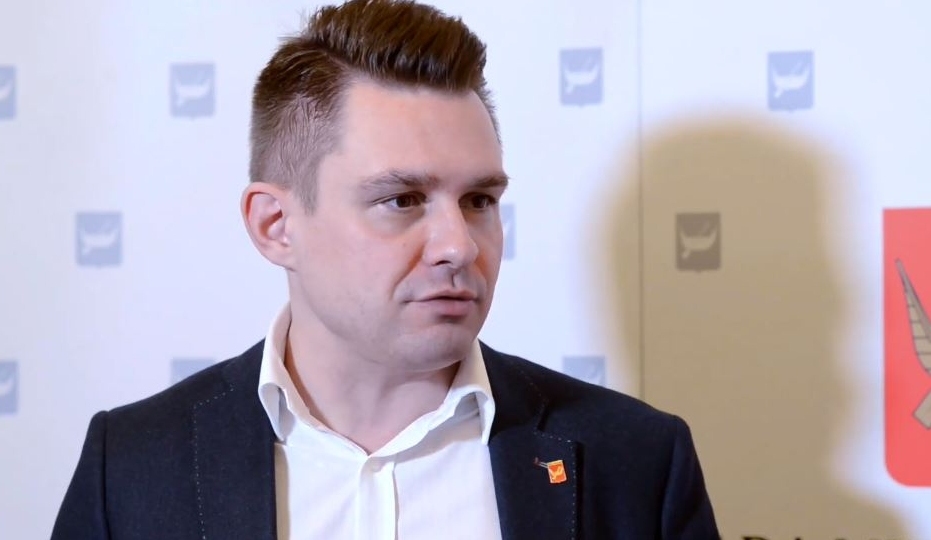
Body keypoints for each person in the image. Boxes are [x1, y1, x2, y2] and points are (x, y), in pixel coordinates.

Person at [51, 0, 719, 538]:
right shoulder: (133, 467)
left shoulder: (635, 462)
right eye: (402, 200)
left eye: (478, 200)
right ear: (275, 225)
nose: (459, 246)